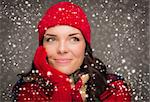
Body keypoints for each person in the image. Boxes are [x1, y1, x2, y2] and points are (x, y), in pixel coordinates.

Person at [12, 1, 131, 102]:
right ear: (42, 47)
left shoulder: (114, 90)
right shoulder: (28, 91)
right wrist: (62, 86)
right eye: (51, 39)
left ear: (85, 46)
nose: (62, 49)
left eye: (74, 39)